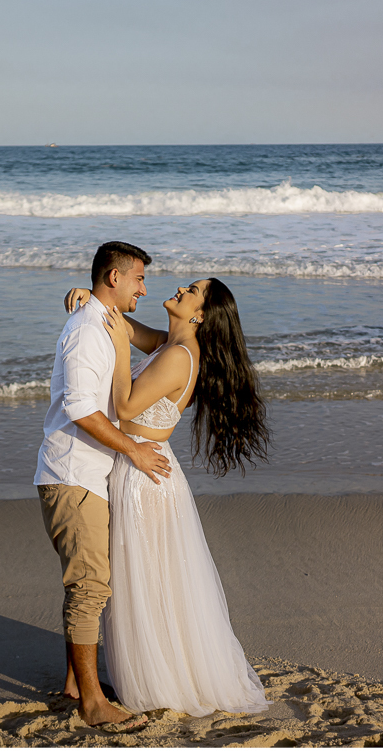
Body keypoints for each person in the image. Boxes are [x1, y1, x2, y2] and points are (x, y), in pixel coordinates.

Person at [65, 277, 271, 717]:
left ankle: (162, 680)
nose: (181, 288)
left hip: (144, 476)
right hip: (140, 465)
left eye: (192, 290)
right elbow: (124, 323)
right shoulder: (169, 343)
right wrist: (94, 300)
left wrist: (119, 347)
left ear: (200, 315)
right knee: (146, 579)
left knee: (150, 581)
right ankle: (152, 670)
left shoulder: (179, 356)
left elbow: (125, 407)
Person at [33, 241, 171, 733]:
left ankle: (76, 683)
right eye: (138, 279)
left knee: (86, 584)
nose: (144, 287)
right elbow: (79, 408)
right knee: (89, 586)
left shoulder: (104, 320)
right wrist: (133, 450)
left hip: (84, 475)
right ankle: (91, 702)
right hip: (74, 475)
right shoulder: (89, 330)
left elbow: (160, 341)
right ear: (114, 278)